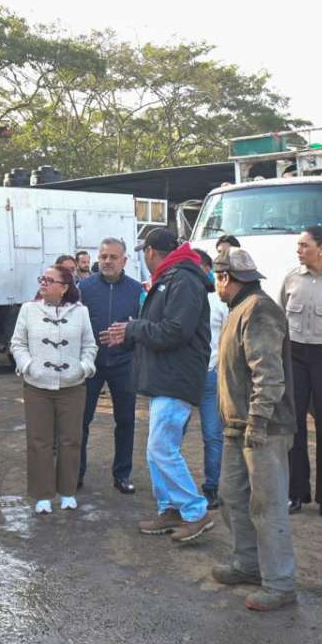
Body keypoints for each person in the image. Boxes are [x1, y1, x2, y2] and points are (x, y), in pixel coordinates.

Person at [101, 228, 215, 543]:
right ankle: (170, 509)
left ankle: (195, 511)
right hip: (163, 376)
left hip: (175, 377)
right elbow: (157, 330)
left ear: (151, 252)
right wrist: (128, 336)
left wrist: (133, 328)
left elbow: (175, 331)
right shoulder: (171, 278)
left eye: (144, 253)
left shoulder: (183, 280)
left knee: (161, 448)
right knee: (157, 452)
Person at [210, 247, 298, 611]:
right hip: (238, 426)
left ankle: (280, 584)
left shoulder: (259, 310)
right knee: (232, 497)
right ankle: (247, 564)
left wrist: (258, 421)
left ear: (226, 278)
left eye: (217, 277)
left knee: (267, 505)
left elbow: (268, 374)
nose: (216, 284)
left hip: (263, 429)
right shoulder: (239, 310)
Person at [10, 266, 97, 514]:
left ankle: (68, 491)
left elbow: (90, 345)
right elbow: (17, 343)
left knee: (71, 440)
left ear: (65, 287)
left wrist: (83, 368)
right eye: (42, 279)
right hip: (37, 387)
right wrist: (28, 366)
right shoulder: (28, 310)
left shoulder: (81, 312)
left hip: (73, 386)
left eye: (50, 280)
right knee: (39, 441)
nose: (44, 283)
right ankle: (42, 495)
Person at [279, 226, 322, 516]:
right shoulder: (292, 278)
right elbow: (281, 313)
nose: (299, 250)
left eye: (304, 245)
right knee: (293, 426)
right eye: (298, 245)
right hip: (294, 355)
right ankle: (296, 493)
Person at [77, 238, 143, 494]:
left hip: (124, 364)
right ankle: (76, 473)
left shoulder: (137, 290)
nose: (107, 261)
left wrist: (128, 338)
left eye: (113, 257)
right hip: (91, 365)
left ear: (124, 260)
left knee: (126, 421)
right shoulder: (84, 288)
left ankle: (122, 475)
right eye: (103, 256)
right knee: (81, 421)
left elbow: (143, 327)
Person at [181, 249, 225, 508]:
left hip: (210, 377)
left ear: (207, 269)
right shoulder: (181, 296)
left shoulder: (220, 301)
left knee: (212, 435)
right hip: (185, 378)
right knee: (175, 433)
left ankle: (212, 488)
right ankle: (176, 485)